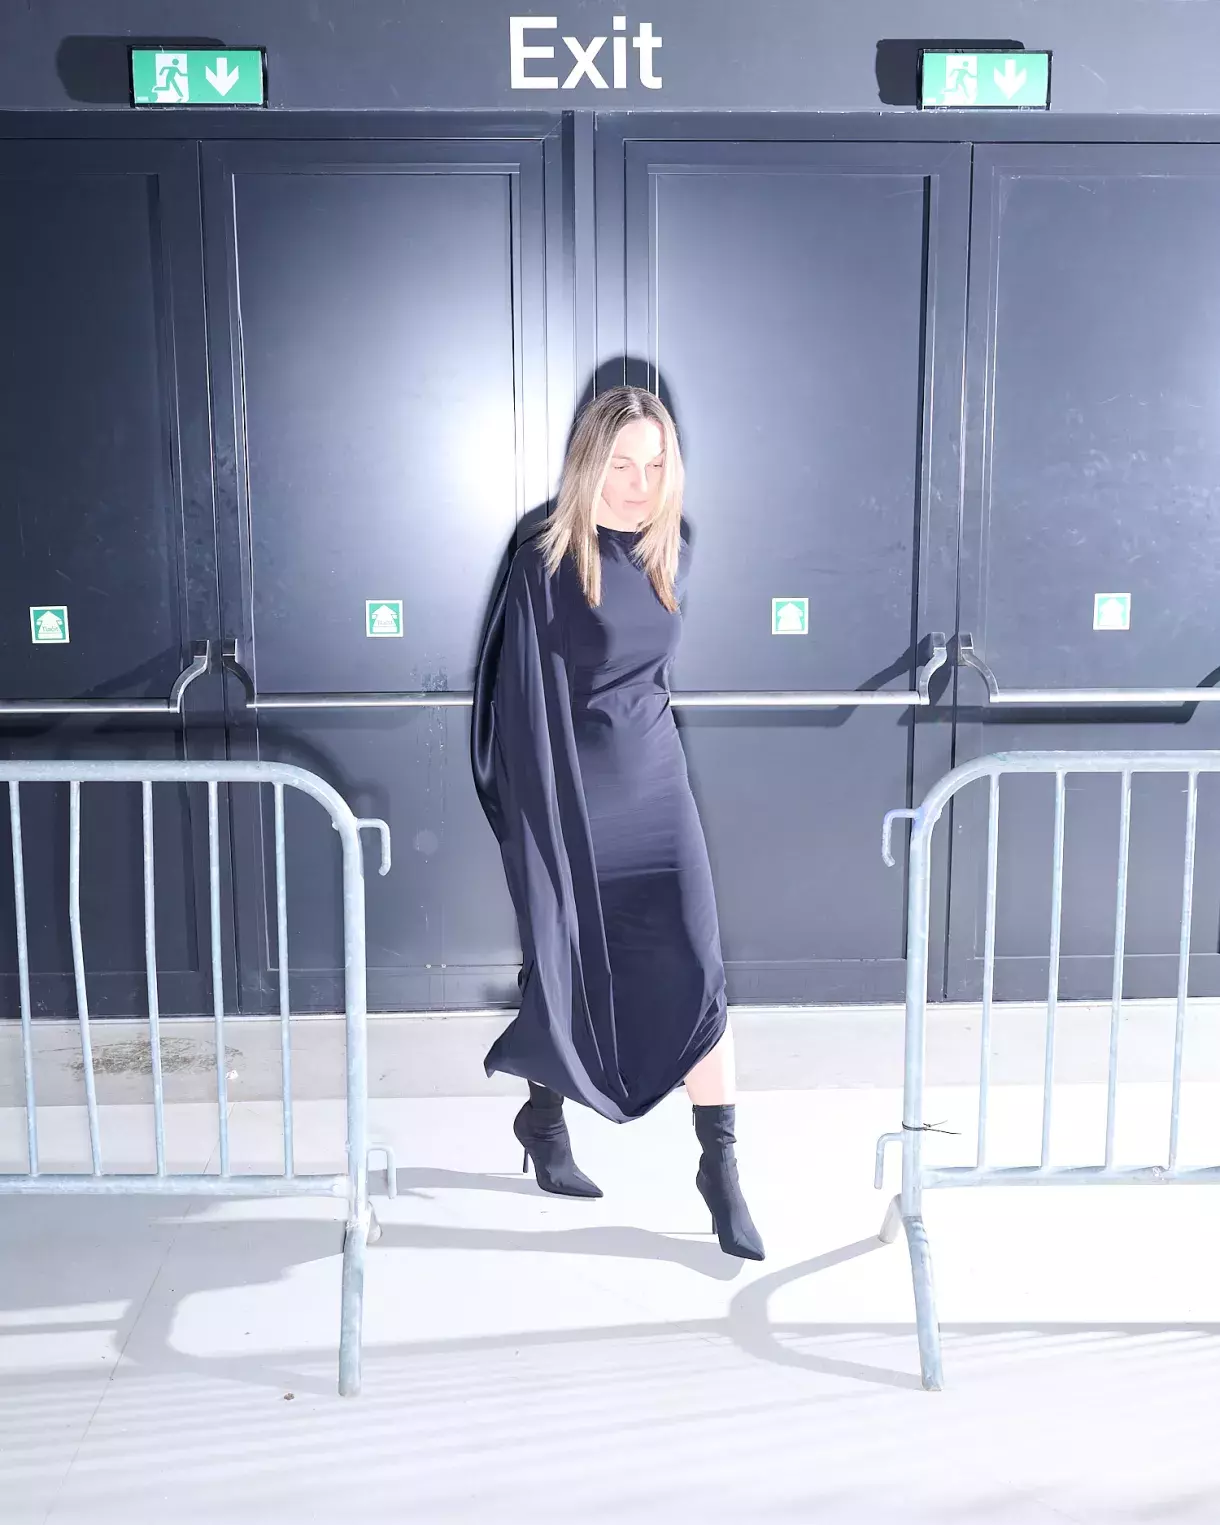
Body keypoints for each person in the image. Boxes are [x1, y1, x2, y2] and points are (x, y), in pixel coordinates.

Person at [471, 386, 764, 1261]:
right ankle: (543, 1120)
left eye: (656, 463)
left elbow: (650, 679)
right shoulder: (544, 558)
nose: (640, 483)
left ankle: (720, 1168)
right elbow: (514, 702)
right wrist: (538, 826)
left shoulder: (675, 546)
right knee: (564, 957)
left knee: (699, 967)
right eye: (623, 464)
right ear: (588, 463)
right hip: (575, 794)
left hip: (658, 788)